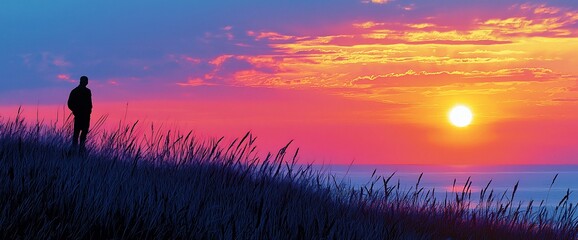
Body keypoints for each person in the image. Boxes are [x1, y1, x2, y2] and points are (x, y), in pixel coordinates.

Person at [67, 76, 92, 152]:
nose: (87, 82)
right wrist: (75, 111)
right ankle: (76, 150)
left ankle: (81, 149)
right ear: (82, 81)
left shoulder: (87, 91)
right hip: (80, 116)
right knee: (77, 133)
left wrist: (89, 110)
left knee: (82, 133)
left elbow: (89, 103)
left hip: (85, 116)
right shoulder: (75, 91)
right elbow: (70, 103)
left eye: (87, 81)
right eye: (85, 81)